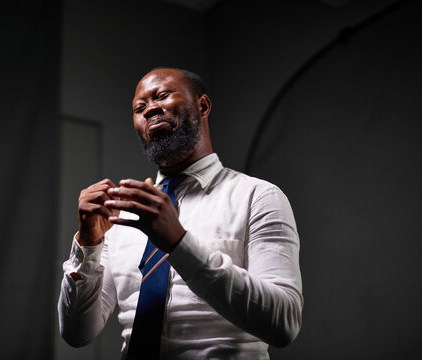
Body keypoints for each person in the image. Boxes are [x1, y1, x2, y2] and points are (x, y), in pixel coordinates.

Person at [58, 68, 303, 359]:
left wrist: (179, 243)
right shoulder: (122, 218)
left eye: (162, 95)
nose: (150, 109)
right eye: (140, 107)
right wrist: (88, 245)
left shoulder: (258, 197)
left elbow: (283, 325)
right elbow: (77, 334)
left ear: (203, 106)